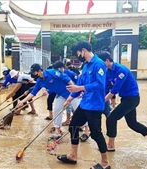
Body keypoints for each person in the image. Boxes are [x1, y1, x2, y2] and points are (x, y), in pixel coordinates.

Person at [57, 41, 110, 169]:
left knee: (96, 134)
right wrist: (68, 100)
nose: (78, 56)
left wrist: (79, 88)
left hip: (95, 105)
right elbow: (78, 87)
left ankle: (105, 163)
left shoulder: (99, 64)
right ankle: (73, 155)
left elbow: (100, 85)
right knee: (73, 126)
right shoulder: (85, 66)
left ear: (83, 50)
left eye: (78, 53)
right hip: (85, 104)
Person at [98, 51, 147, 152]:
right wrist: (98, 97)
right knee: (132, 123)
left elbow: (114, 90)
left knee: (111, 118)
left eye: (101, 63)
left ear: (107, 60)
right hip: (125, 98)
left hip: (132, 99)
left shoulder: (121, 70)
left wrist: (101, 102)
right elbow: (106, 88)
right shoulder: (108, 72)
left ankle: (111, 145)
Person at [17, 63, 81, 140]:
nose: (34, 74)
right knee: (57, 110)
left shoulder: (52, 72)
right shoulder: (40, 81)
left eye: (34, 72)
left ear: (40, 71)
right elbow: (33, 93)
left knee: (79, 110)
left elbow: (66, 78)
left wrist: (75, 89)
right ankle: (57, 131)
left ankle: (87, 130)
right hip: (60, 94)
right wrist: (22, 102)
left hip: (70, 92)